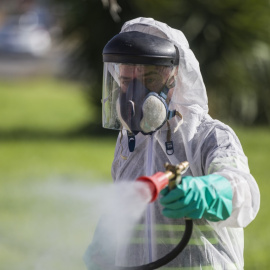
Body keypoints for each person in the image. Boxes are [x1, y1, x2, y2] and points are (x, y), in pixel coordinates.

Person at [84, 17, 260, 269]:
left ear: (174, 79)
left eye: (149, 79)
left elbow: (245, 191)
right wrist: (104, 244)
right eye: (126, 81)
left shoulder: (208, 136)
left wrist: (209, 193)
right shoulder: (128, 143)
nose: (133, 95)